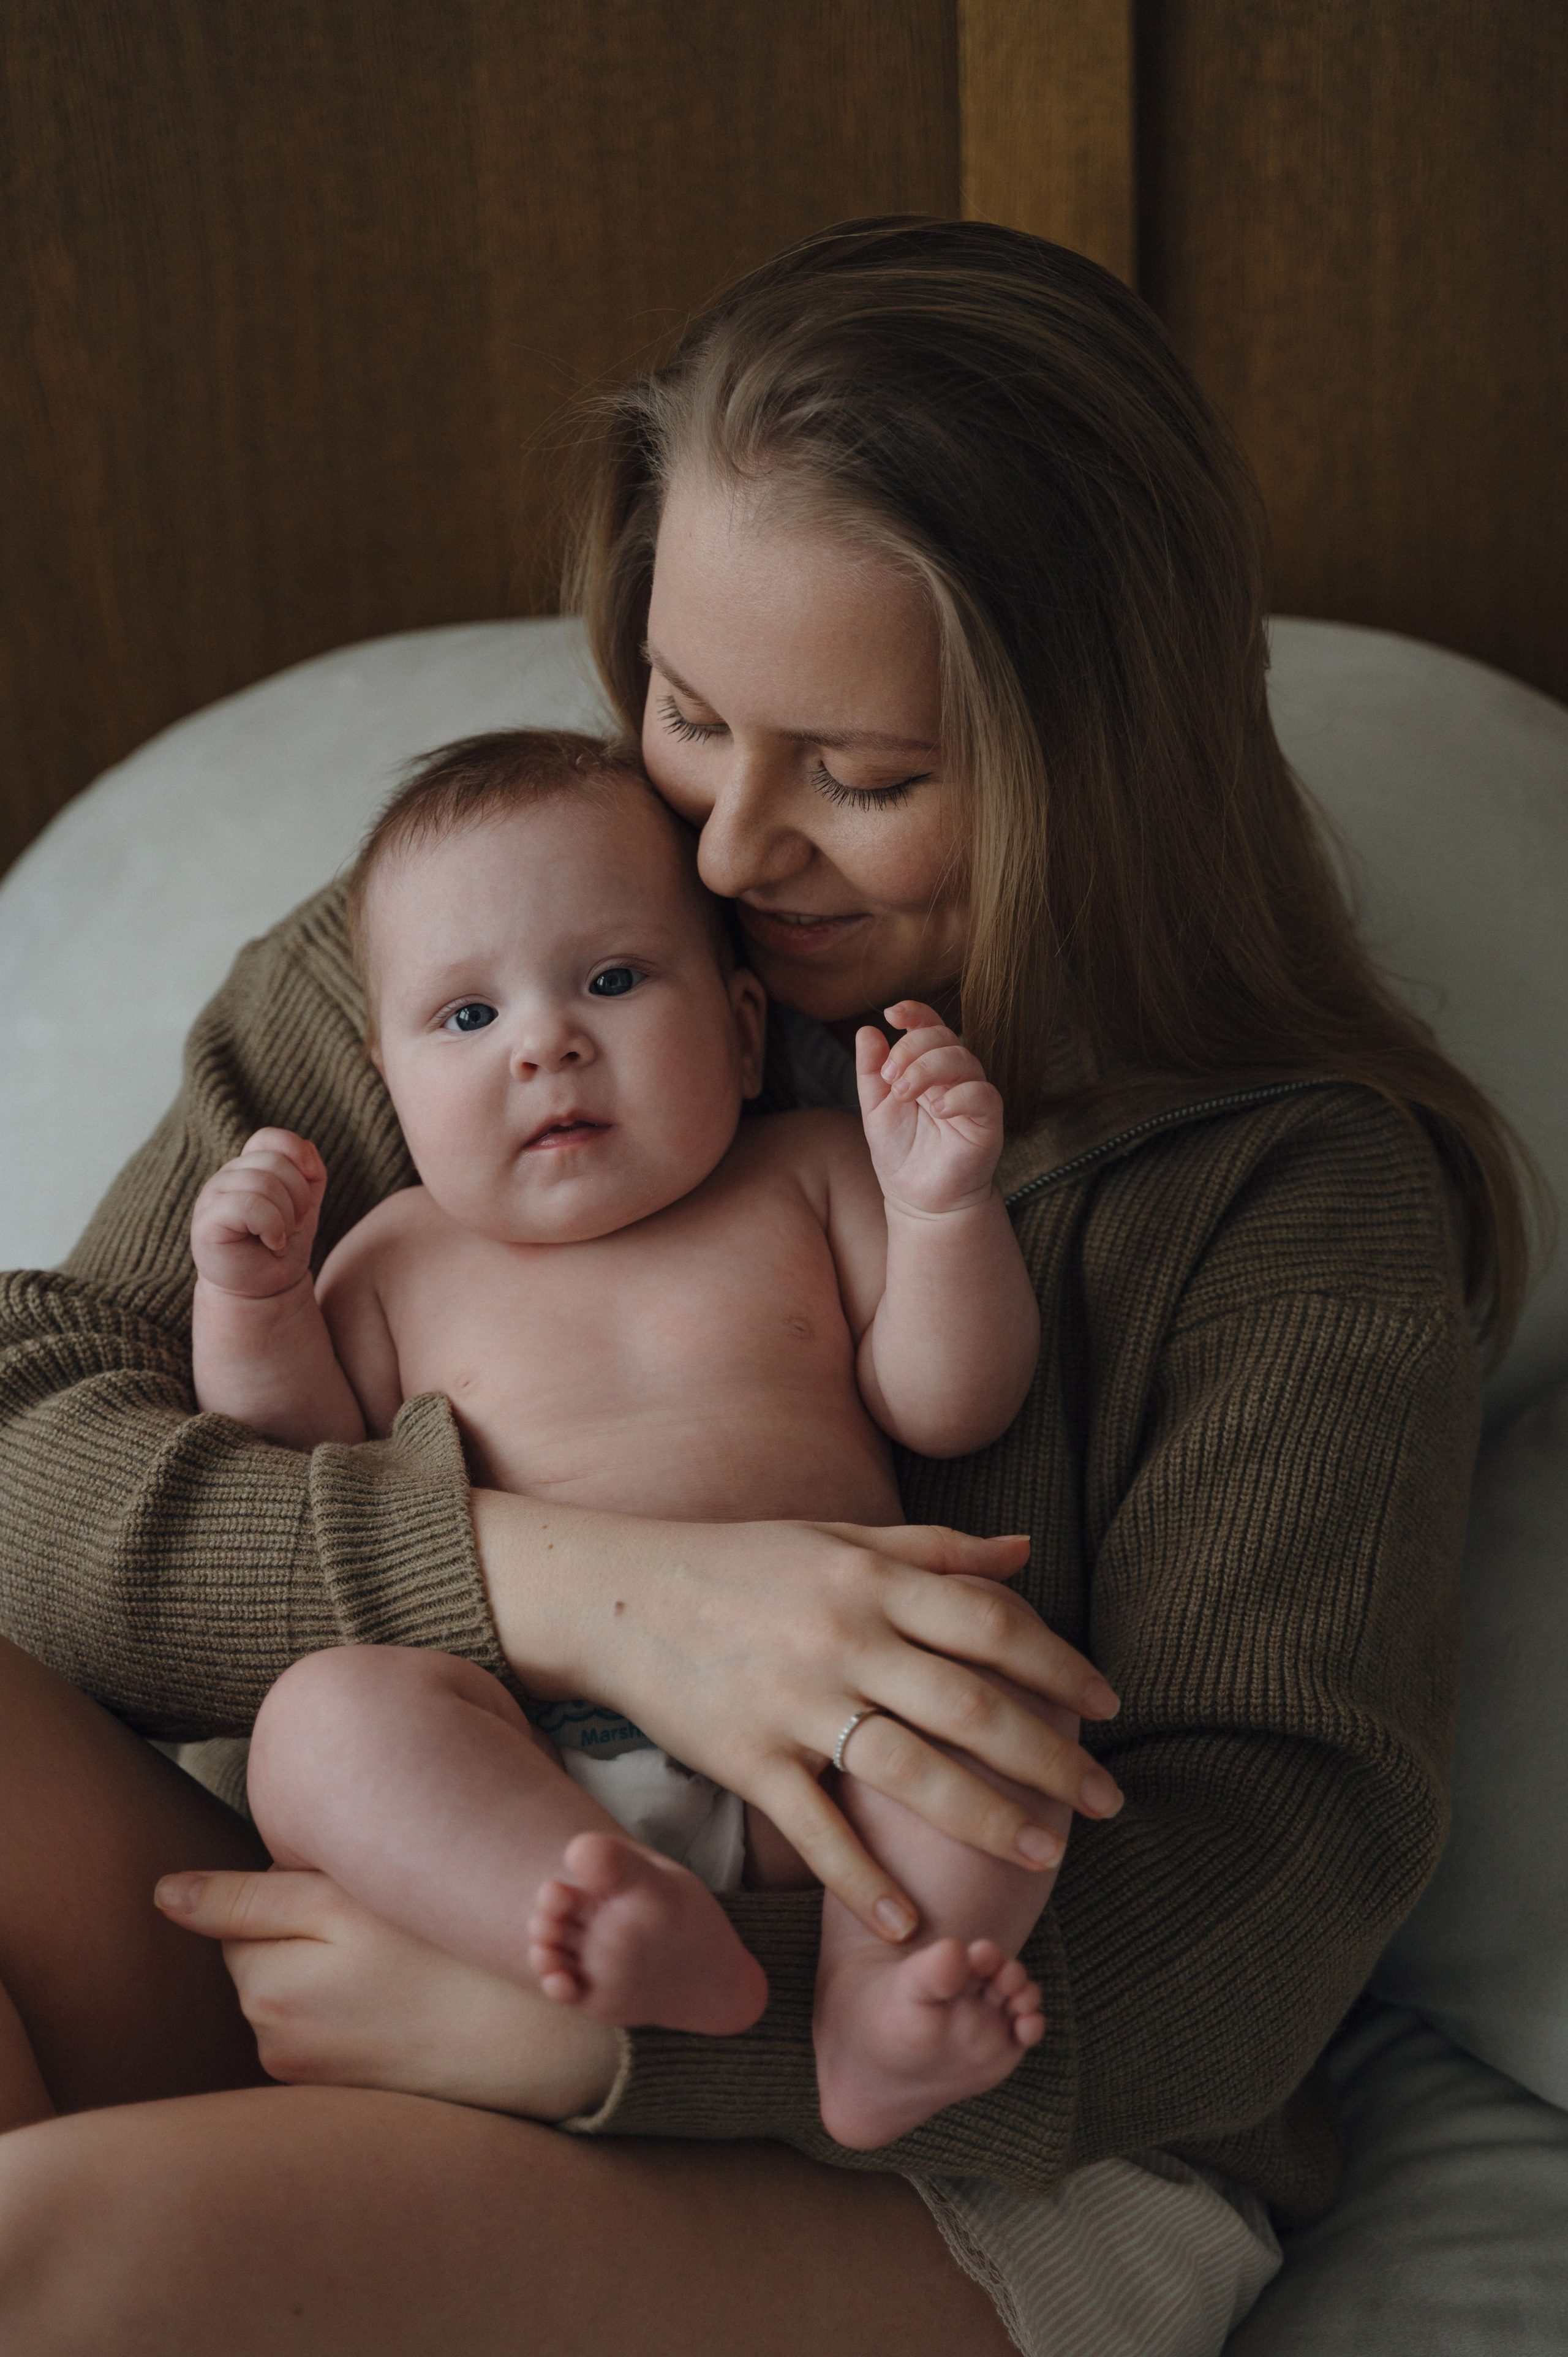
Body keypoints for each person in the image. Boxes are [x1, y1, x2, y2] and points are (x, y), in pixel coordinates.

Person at [0, 216, 1530, 2356]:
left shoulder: (1285, 1189)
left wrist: (616, 2042)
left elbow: (1264, 1884)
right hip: (397, 1889)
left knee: (43, 2252)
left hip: (942, 2112)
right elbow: (27, 1450)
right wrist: (573, 1582)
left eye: (867, 776)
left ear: (1097, 759)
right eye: (689, 711)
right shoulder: (470, 955)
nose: (724, 851)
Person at [198, 726, 1071, 2149]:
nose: (545, 1040)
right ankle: (597, 1910)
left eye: (610, 980)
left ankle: (880, 2003)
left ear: (738, 1030)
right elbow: (288, 1463)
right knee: (325, 1721)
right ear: (386, 1078)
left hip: (833, 1745)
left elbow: (950, 1401)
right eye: (465, 1019)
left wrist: (941, 1211)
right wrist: (251, 1299)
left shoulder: (805, 1176)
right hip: (530, 1756)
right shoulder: (393, 1254)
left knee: (999, 1690)